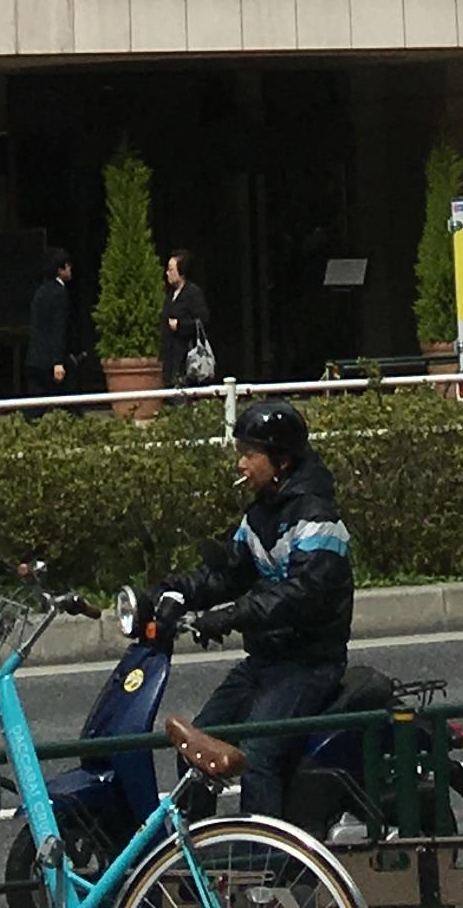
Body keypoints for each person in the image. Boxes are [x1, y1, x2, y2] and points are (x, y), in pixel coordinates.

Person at [168, 401, 352, 822]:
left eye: (251, 454)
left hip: (310, 664)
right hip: (265, 661)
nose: (242, 463)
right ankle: (192, 853)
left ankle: (265, 870)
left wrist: (230, 616)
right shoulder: (260, 514)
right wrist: (169, 592)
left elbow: (300, 594)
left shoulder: (316, 518)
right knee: (195, 746)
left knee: (257, 756)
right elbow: (228, 575)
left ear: (282, 461)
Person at [24, 244, 75, 407]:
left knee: (37, 407)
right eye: (67, 265)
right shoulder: (59, 293)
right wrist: (58, 361)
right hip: (51, 362)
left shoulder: (40, 291)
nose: (70, 269)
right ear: (60, 269)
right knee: (68, 405)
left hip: (35, 357)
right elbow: (58, 328)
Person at [160, 252, 217, 390]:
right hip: (171, 355)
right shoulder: (171, 295)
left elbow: (203, 320)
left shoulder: (193, 293)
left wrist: (180, 325)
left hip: (187, 356)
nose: (167, 273)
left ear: (182, 272)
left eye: (171, 269)